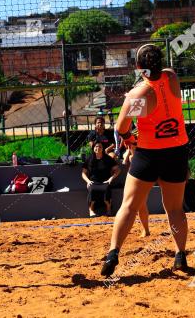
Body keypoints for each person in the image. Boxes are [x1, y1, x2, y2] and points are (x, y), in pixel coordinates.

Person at [101, 43, 189, 277]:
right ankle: (180, 255)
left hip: (149, 153)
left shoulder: (140, 94)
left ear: (139, 67)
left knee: (129, 206)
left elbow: (121, 128)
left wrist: (131, 140)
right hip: (176, 150)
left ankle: (113, 253)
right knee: (175, 208)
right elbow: (161, 72)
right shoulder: (172, 78)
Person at [121, 134, 150, 236]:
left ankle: (145, 230)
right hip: (135, 178)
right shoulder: (130, 154)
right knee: (140, 205)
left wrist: (128, 153)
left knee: (141, 204)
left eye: (133, 144)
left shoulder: (138, 155)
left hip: (143, 176)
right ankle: (145, 229)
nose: (131, 146)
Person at [81, 141, 119, 217]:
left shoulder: (108, 159)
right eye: (96, 146)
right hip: (93, 181)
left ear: (103, 148)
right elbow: (83, 173)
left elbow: (117, 170)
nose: (98, 148)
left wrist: (111, 179)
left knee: (106, 189)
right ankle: (91, 210)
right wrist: (88, 181)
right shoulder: (89, 159)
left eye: (100, 147)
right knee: (92, 189)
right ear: (93, 148)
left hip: (105, 181)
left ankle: (108, 209)